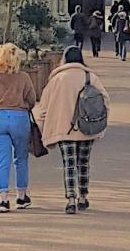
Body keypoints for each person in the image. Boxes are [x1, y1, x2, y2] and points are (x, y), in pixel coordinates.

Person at [35, 46, 110, 214]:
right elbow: (105, 101)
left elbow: (44, 106)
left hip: (63, 128)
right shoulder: (90, 77)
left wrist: (42, 127)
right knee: (84, 162)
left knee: (69, 163)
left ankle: (70, 199)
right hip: (87, 126)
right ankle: (83, 196)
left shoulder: (57, 79)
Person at [0, 42, 35, 213]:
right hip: (19, 117)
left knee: (2, 160)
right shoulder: (23, 77)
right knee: (21, 159)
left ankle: (3, 199)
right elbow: (32, 99)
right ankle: (21, 196)